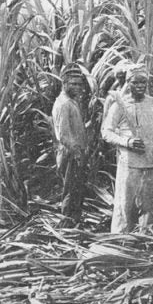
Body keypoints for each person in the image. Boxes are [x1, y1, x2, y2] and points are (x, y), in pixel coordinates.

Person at [102, 63, 153, 233]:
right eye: (135, 83)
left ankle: (145, 238)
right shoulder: (120, 105)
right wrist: (127, 142)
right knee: (124, 205)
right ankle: (120, 241)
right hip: (128, 164)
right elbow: (106, 132)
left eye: (143, 83)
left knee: (148, 205)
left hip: (149, 163)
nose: (140, 86)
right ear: (128, 83)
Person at [52, 63, 88, 227]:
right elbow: (63, 135)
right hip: (70, 153)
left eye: (80, 84)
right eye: (73, 84)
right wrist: (77, 152)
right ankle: (67, 224)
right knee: (71, 189)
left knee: (75, 188)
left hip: (74, 152)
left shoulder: (71, 102)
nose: (78, 87)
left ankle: (74, 222)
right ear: (64, 83)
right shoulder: (64, 104)